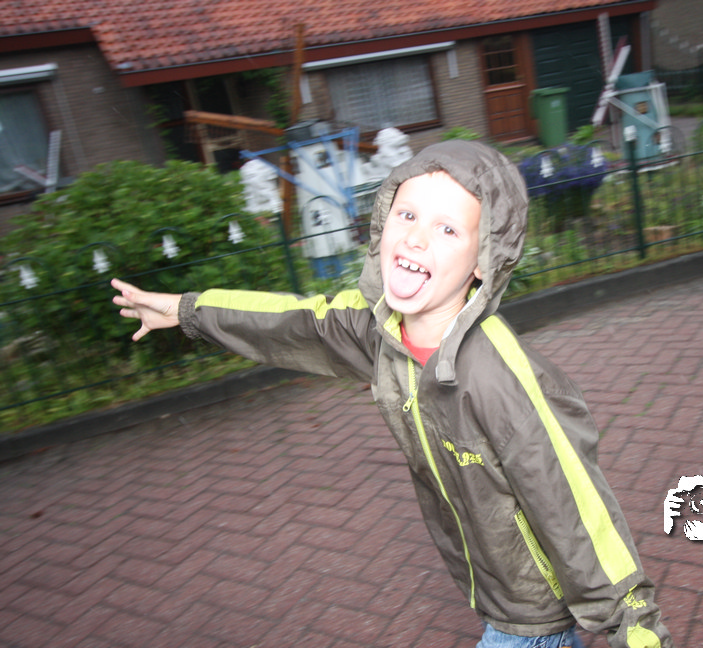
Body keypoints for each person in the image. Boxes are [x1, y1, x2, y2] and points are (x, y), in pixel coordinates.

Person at [112, 140, 673, 648]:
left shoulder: (500, 381)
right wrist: (187, 310)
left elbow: (576, 510)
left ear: (483, 262)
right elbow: (296, 323)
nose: (416, 237)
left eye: (447, 229)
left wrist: (636, 627)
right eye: (406, 214)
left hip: (531, 610)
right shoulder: (382, 334)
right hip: (490, 586)